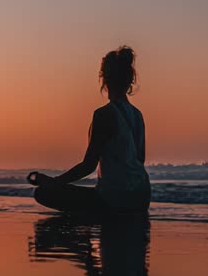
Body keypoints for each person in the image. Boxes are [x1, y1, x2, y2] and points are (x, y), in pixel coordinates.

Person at [28, 45, 150, 214]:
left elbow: (88, 166)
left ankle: (83, 231)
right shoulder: (137, 115)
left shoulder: (104, 114)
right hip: (141, 197)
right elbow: (140, 160)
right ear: (130, 80)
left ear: (104, 79)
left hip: (114, 200)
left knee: (43, 193)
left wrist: (54, 182)